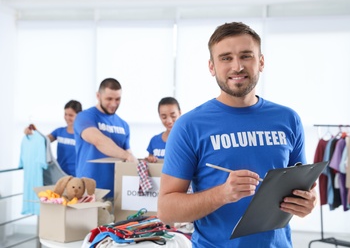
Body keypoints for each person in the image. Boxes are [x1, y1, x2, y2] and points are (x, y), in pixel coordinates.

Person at [157, 22, 317, 247]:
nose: (237, 66)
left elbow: (300, 190)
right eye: (226, 58)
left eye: (246, 56)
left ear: (261, 62)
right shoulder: (188, 126)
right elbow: (166, 210)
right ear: (212, 67)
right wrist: (222, 194)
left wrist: (306, 203)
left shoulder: (289, 119)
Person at [74, 78, 138, 199]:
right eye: (109, 99)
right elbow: (99, 141)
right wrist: (128, 156)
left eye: (118, 99)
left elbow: (129, 155)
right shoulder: (85, 117)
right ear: (98, 96)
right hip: (89, 192)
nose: (114, 104)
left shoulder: (123, 125)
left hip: (117, 193)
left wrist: (142, 162)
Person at [24, 100, 82, 176]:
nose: (67, 118)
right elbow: (43, 141)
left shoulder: (83, 134)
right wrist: (33, 132)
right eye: (65, 114)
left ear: (79, 115)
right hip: (59, 174)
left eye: (71, 115)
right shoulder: (59, 132)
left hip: (76, 176)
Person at [145, 97, 181, 163]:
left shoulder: (187, 140)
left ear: (179, 113)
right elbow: (150, 165)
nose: (169, 121)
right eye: (164, 117)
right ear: (159, 116)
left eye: (173, 116)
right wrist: (149, 160)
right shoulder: (154, 140)